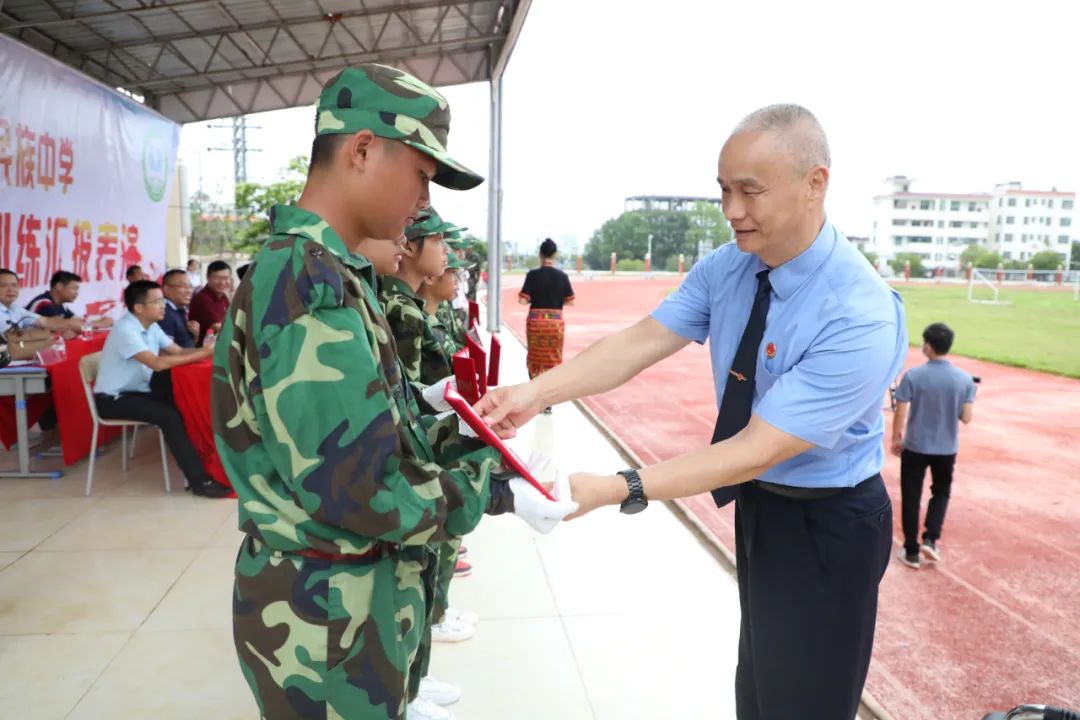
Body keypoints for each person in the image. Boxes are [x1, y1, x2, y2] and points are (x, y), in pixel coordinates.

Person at [477, 104, 908, 720]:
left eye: (750, 192)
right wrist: (529, 395)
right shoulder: (729, 267)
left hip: (827, 525)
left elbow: (755, 447)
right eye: (724, 191)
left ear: (816, 184)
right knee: (758, 692)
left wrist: (618, 486)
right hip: (761, 508)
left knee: (805, 705)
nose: (732, 210)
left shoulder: (858, 313)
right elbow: (639, 342)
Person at [210, 63, 576, 720]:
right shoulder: (306, 283)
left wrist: (474, 439)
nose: (421, 199)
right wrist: (494, 490)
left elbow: (384, 426)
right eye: (421, 173)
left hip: (347, 605)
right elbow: (361, 481)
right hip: (323, 616)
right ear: (361, 150)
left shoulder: (332, 275)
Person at [94, 280, 228, 498]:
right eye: (157, 301)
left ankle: (207, 466)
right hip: (113, 400)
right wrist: (203, 354)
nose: (163, 305)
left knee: (184, 404)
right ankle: (200, 482)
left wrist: (206, 349)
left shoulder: (151, 326)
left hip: (139, 391)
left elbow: (176, 351)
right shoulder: (125, 330)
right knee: (169, 417)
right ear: (139, 308)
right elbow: (156, 363)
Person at [891, 322, 976, 569]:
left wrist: (897, 437)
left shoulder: (914, 376)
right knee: (941, 492)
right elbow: (966, 418)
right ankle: (931, 538)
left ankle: (911, 550)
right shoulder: (964, 379)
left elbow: (901, 410)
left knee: (911, 495)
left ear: (928, 346)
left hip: (916, 446)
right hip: (946, 448)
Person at [519, 238, 575, 388]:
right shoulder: (562, 277)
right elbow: (571, 301)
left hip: (535, 324)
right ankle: (548, 398)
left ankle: (534, 390)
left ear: (540, 255)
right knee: (553, 358)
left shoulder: (532, 275)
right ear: (554, 255)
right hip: (554, 325)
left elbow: (523, 301)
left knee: (535, 357)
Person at [25, 270, 114, 329]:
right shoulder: (43, 303)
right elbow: (65, 329)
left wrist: (99, 322)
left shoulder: (61, 305)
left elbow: (78, 322)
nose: (77, 293)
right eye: (74, 288)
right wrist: (99, 324)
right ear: (59, 286)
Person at [188, 260, 231, 345]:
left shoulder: (223, 297)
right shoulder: (202, 299)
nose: (222, 282)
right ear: (208, 277)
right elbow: (218, 327)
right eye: (217, 278)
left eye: (226, 278)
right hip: (203, 351)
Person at [157, 269, 199, 349]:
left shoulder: (180, 310)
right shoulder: (164, 313)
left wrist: (195, 335)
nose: (189, 291)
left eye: (190, 286)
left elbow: (185, 345)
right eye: (183, 286)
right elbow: (165, 353)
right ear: (166, 289)